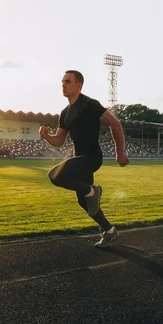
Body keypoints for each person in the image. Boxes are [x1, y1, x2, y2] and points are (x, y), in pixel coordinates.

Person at [39, 70, 129, 248]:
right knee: (84, 201)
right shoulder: (65, 113)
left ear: (78, 85)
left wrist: (120, 152)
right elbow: (59, 141)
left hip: (92, 157)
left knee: (54, 175)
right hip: (79, 157)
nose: (63, 84)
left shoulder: (89, 104)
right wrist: (46, 135)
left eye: (67, 81)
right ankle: (109, 231)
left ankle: (92, 191)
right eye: (62, 81)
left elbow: (115, 123)